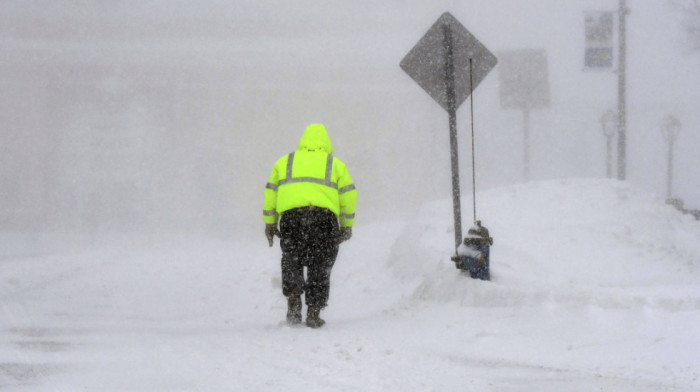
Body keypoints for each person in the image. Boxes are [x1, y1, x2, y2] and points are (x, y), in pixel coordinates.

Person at [262, 123, 357, 328]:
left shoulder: (285, 162)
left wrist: (270, 223)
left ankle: (294, 301)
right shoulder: (335, 165)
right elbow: (348, 195)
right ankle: (314, 312)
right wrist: (346, 225)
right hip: (323, 220)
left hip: (292, 218)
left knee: (292, 259)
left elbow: (271, 192)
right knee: (321, 264)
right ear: (326, 143)